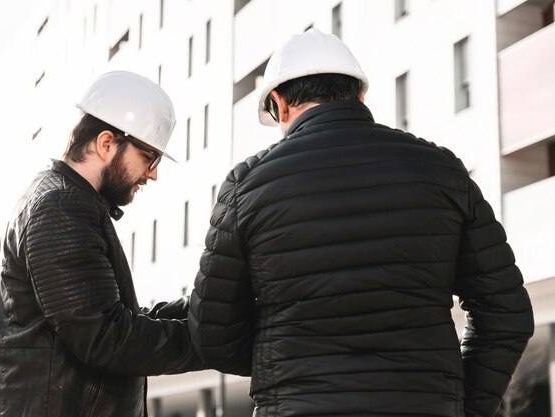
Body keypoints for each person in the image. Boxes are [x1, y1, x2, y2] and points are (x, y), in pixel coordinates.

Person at [188, 29, 534, 417]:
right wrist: (461, 406)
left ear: (279, 104)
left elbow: (213, 332)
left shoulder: (247, 186)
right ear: (360, 96)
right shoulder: (442, 171)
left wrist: (286, 371)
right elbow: (507, 315)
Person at [0, 70, 203, 417]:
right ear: (106, 143)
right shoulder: (61, 207)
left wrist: (203, 309)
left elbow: (109, 318)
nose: (153, 174)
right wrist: (215, 339)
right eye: (150, 157)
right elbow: (105, 338)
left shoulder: (61, 200)